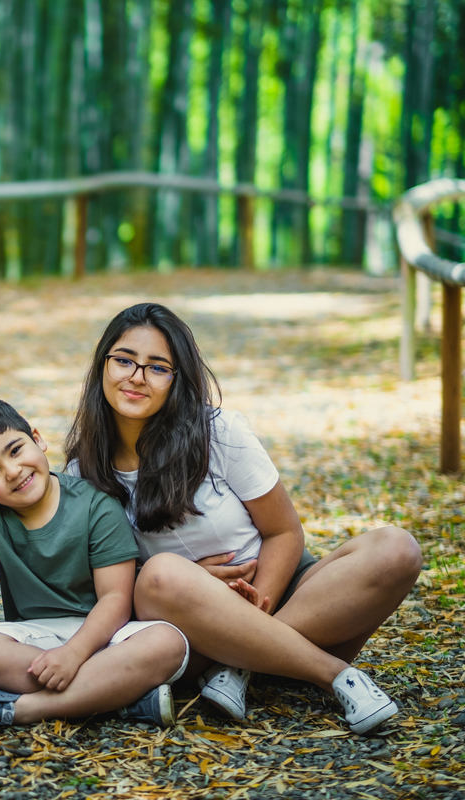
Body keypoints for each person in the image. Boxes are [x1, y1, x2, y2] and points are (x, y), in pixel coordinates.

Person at [64, 302, 423, 734]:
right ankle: (332, 674)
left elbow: (284, 532)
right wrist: (194, 582)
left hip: (285, 594)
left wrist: (257, 603)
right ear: (102, 365)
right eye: (124, 360)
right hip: (182, 618)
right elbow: (108, 584)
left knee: (396, 549)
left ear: (177, 380)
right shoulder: (82, 475)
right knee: (159, 575)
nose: (137, 377)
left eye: (158, 367)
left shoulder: (219, 432)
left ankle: (240, 667)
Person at [0, 398, 188, 726]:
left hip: (105, 634)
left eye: (15, 451)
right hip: (37, 639)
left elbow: (115, 600)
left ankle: (27, 709)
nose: (13, 471)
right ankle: (118, 695)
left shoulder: (95, 506)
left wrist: (74, 655)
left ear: (38, 439)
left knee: (167, 642)